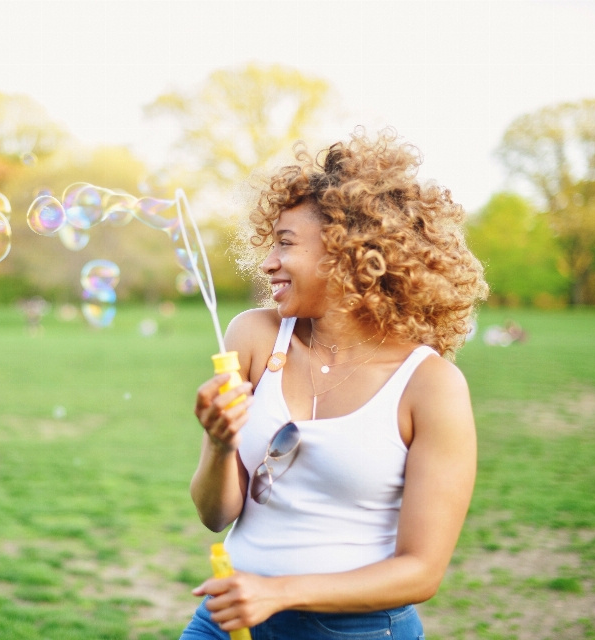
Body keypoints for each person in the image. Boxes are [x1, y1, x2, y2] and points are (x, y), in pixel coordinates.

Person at [182, 129, 488, 639]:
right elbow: (216, 515)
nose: (267, 262)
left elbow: (422, 571)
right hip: (228, 619)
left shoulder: (431, 386)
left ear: (349, 253)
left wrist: (277, 593)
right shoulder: (254, 336)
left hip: (355, 631)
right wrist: (218, 444)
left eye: (285, 243)